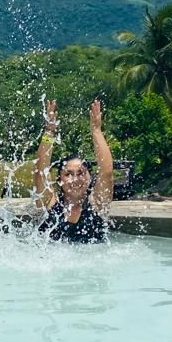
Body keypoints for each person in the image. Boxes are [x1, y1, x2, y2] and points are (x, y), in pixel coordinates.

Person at [33, 98, 114, 243]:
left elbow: (106, 171)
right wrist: (49, 131)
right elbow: (40, 170)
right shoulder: (49, 203)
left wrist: (96, 131)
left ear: (89, 177)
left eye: (81, 173)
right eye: (68, 174)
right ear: (59, 179)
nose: (75, 179)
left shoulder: (97, 204)